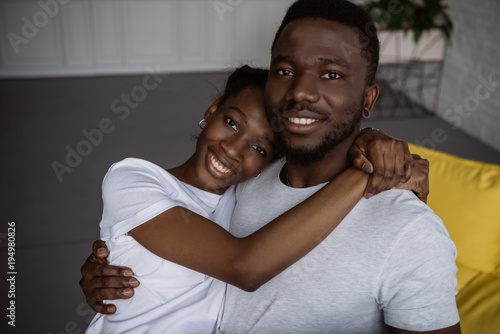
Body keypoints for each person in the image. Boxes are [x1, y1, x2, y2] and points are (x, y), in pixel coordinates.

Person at [80, 0, 460, 332]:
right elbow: (236, 263)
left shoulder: (410, 231)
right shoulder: (243, 183)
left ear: (368, 99)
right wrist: (124, 258)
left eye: (332, 74)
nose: (300, 92)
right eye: (284, 70)